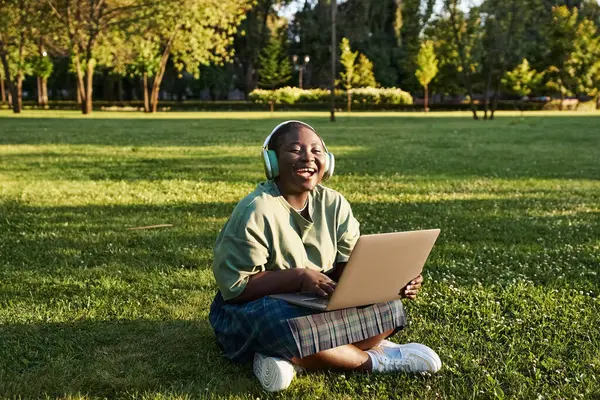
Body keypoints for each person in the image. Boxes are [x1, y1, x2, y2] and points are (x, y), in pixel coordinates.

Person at [209, 120, 441, 392]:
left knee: (391, 309)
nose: (308, 157)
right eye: (295, 150)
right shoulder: (255, 209)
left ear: (327, 162)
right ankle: (375, 360)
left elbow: (348, 268)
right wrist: (298, 277)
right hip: (256, 306)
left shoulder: (334, 203)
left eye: (316, 150)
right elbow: (236, 290)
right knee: (281, 324)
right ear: (272, 161)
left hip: (319, 299)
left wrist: (393, 282)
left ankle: (290, 358)